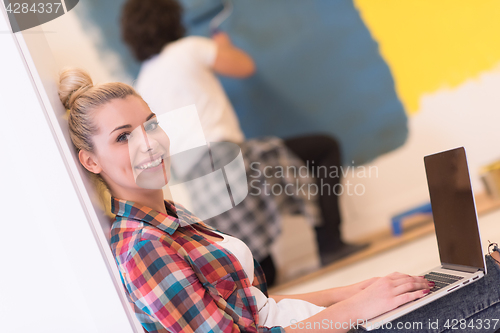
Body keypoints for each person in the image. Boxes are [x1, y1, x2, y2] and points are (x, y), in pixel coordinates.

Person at [59, 68, 500, 333]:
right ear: (90, 161)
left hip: (329, 321)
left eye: (150, 125)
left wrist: (355, 291)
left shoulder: (169, 217)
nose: (148, 144)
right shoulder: (142, 246)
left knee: (475, 275)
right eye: (123, 137)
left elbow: (260, 310)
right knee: (493, 286)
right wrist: (359, 307)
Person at [120, 0, 366, 285]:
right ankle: (330, 244)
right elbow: (244, 66)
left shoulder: (143, 81)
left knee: (263, 274)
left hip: (197, 180)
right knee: (324, 149)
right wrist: (223, 45)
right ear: (171, 19)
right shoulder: (188, 49)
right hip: (225, 158)